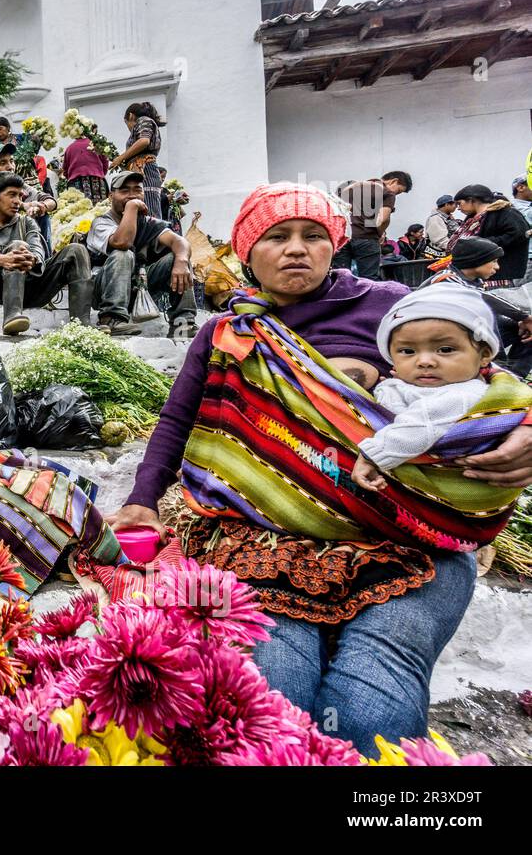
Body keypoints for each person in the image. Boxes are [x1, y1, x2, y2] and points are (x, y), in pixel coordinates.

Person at [108, 182, 532, 752]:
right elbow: (180, 419)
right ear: (246, 252)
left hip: (407, 541)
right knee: (276, 705)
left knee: (368, 712)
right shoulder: (227, 334)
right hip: (264, 543)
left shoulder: (391, 303)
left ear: (335, 243)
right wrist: (142, 498)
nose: (297, 249)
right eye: (277, 237)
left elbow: (491, 373)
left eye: (314, 236)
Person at [353, 286, 504, 492]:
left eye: (445, 350)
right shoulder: (407, 384)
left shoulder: (466, 394)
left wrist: (372, 456)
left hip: (444, 484)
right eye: (407, 351)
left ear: (484, 354)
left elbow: (422, 424)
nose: (425, 361)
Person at [0, 171, 92, 335]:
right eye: (11, 195)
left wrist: (33, 260)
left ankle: (82, 325)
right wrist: (0, 260)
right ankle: (12, 316)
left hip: (33, 286)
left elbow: (37, 247)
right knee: (18, 246)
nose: (17, 201)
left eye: (20, 196)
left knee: (77, 250)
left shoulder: (26, 222)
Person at [85, 170, 195, 337]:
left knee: (179, 257)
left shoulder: (147, 223)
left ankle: (183, 324)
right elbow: (122, 242)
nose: (131, 195)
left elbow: (179, 242)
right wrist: (132, 206)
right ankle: (112, 319)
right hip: (103, 291)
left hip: (139, 285)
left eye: (137, 190)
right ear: (110, 196)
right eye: (124, 191)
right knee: (123, 254)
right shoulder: (101, 223)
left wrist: (181, 261)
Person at [424, 238, 532, 377]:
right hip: (438, 342)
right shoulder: (445, 278)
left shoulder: (475, 280)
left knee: (523, 330)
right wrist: (524, 316)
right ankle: (498, 376)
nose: (497, 267)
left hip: (466, 335)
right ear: (476, 261)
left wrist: (521, 322)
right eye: (493, 261)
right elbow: (482, 297)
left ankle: (513, 378)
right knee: (484, 317)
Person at [0, 141, 58, 245]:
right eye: (2, 163)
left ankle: (43, 259)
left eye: (11, 161)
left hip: (10, 241)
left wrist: (42, 206)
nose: (10, 167)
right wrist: (23, 205)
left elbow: (50, 200)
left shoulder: (18, 186)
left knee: (41, 215)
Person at [332, 170, 413, 280]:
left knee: (340, 278)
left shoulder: (348, 188)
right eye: (398, 191)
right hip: (366, 238)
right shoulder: (386, 192)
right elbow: (382, 219)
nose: (395, 194)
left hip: (342, 238)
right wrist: (380, 233)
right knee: (369, 279)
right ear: (394, 181)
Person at [452, 183, 529, 286]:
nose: (458, 208)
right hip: (479, 276)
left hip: (500, 275)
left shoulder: (506, 213)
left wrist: (482, 245)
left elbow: (518, 234)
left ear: (471, 200)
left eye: (459, 203)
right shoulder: (473, 218)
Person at [108, 102, 167, 221]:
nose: (129, 128)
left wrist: (121, 158)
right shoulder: (146, 122)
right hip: (142, 169)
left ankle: (154, 238)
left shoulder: (144, 120)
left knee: (149, 210)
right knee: (143, 210)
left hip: (146, 169)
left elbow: (144, 141)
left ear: (130, 116)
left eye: (127, 124)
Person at [62, 135, 108, 203]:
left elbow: (65, 170)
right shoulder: (96, 145)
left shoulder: (69, 148)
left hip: (76, 182)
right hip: (97, 180)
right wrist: (100, 173)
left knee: (79, 208)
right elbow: (105, 162)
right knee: (100, 207)